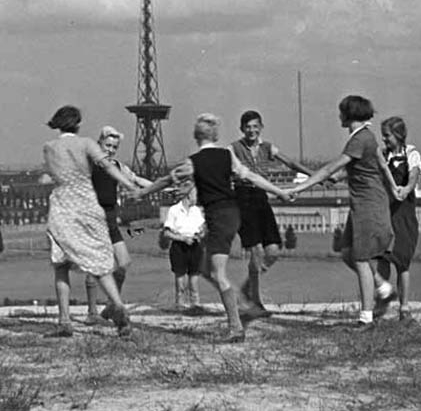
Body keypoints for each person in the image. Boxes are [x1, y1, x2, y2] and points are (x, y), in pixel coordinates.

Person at [137, 113, 292, 343]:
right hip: (232, 214)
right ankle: (241, 301)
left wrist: (142, 192)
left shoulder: (193, 161)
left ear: (195, 135)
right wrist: (279, 192)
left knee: (217, 273)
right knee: (203, 266)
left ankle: (236, 325)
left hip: (219, 218)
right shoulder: (227, 155)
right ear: (215, 135)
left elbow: (166, 180)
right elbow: (251, 177)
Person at [288, 95, 398, 328]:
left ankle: (366, 318)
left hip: (369, 206)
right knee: (348, 252)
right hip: (362, 205)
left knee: (360, 259)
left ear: (350, 115)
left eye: (341, 112)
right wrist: (331, 178)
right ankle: (384, 288)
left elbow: (331, 167)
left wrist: (299, 188)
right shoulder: (364, 138)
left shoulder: (359, 138)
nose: (339, 116)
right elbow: (355, 169)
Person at [42, 105, 141, 337]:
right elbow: (107, 166)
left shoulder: (49, 147)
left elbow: (53, 174)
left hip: (61, 208)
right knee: (101, 264)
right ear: (77, 124)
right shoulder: (86, 144)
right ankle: (120, 312)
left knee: (61, 267)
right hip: (87, 205)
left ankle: (64, 321)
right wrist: (129, 185)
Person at [230, 110, 314, 316]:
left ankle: (248, 286)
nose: (251, 130)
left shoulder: (268, 148)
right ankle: (255, 301)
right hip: (243, 198)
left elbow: (290, 163)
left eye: (255, 126)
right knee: (256, 251)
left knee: (273, 250)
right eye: (248, 127)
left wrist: (314, 175)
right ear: (242, 129)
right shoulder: (233, 149)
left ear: (261, 127)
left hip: (261, 198)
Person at [82, 126, 152, 325]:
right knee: (93, 266)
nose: (110, 150)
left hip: (111, 220)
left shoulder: (118, 167)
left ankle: (112, 306)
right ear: (99, 143)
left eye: (114, 147)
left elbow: (137, 180)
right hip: (92, 218)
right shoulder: (89, 164)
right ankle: (92, 312)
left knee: (123, 263)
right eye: (107, 145)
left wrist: (163, 187)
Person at [376, 116, 421, 322]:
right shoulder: (382, 155)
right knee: (383, 258)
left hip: (404, 214)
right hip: (386, 212)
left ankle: (404, 308)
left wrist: (406, 189)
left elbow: (413, 175)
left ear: (398, 135)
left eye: (387, 136)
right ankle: (382, 303)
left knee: (402, 261)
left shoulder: (411, 154)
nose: (384, 140)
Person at [162, 184, 206, 313]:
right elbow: (167, 232)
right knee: (180, 279)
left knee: (194, 278)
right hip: (180, 246)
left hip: (195, 245)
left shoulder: (196, 210)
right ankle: (180, 305)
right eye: (195, 195)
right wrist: (182, 238)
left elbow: (202, 228)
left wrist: (200, 235)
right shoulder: (174, 210)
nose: (196, 198)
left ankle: (195, 305)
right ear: (188, 195)